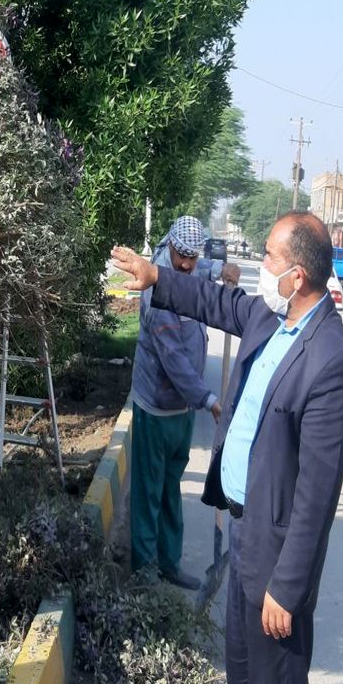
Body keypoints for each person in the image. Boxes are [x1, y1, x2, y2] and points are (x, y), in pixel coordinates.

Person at [111, 211, 343, 684]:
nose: (260, 266)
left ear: (297, 276)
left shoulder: (330, 359)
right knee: (242, 680)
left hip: (275, 553)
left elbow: (317, 492)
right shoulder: (272, 316)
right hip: (243, 533)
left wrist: (288, 587)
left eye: (269, 256)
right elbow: (214, 301)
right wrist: (157, 276)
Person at [129, 216, 238, 589]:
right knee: (149, 488)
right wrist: (208, 400)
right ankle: (143, 571)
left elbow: (201, 270)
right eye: (182, 257)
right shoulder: (154, 289)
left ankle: (168, 563)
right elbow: (172, 358)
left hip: (182, 408)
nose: (187, 265)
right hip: (156, 404)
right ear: (170, 247)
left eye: (193, 258)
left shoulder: (191, 267)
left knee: (171, 484)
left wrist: (222, 268)